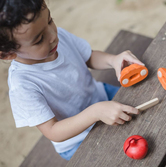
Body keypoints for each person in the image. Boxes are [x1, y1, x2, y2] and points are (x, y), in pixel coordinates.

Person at [0, 0, 145, 160]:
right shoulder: (22, 85)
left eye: (50, 20)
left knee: (147, 119)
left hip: (102, 96)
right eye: (39, 39)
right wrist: (95, 112)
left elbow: (88, 57)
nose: (53, 36)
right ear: (8, 54)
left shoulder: (57, 36)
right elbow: (53, 131)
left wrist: (113, 60)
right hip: (77, 140)